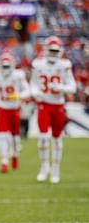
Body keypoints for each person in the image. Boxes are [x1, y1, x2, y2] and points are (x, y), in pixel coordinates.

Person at [30, 36, 76, 184]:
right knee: (43, 137)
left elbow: (73, 87)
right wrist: (35, 92)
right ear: (46, 50)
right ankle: (44, 167)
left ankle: (56, 169)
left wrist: (61, 88)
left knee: (57, 139)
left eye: (56, 50)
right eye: (51, 50)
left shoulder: (64, 65)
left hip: (58, 105)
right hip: (44, 104)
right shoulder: (38, 64)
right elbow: (33, 83)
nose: (53, 53)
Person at [0, 53, 29, 173]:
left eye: (7, 66)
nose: (5, 68)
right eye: (3, 66)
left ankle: (15, 154)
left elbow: (28, 90)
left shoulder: (18, 75)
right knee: (2, 135)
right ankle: (4, 161)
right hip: (1, 108)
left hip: (14, 109)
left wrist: (18, 95)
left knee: (15, 137)